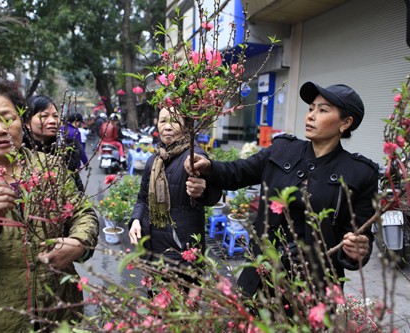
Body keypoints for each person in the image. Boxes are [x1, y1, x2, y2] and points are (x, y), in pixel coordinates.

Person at [185, 82, 378, 298]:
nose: (311, 116)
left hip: (314, 289)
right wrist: (209, 165)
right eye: (311, 108)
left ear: (346, 123)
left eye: (322, 110)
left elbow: (359, 235)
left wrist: (357, 250)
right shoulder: (283, 149)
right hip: (259, 278)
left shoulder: (360, 173)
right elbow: (237, 172)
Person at [0, 77, 99, 332]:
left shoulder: (50, 167)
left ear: (21, 122)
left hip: (61, 312)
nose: (0, 129)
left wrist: (80, 242)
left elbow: (82, 212)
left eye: (8, 118)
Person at [128, 107, 222, 285]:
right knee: (155, 303)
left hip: (180, 252)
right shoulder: (154, 160)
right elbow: (142, 198)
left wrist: (203, 191)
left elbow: (214, 195)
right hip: (151, 248)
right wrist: (135, 220)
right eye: (163, 121)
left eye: (174, 121)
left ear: (186, 126)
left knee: (181, 307)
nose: (168, 126)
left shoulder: (195, 157)